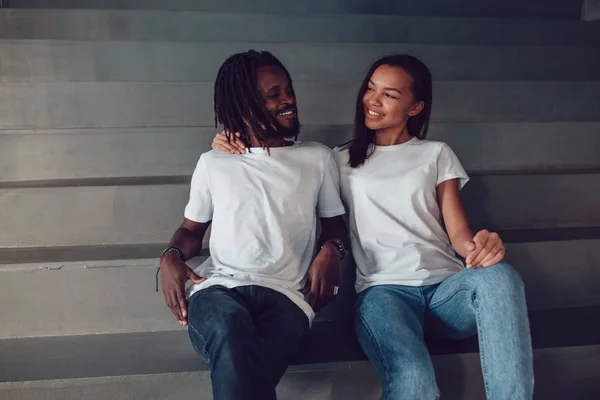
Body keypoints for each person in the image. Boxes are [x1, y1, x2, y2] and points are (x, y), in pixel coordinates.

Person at [212, 54, 534, 399]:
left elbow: (458, 234)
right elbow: (280, 171)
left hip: (445, 294)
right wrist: (229, 142)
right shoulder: (336, 159)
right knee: (413, 376)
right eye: (370, 89)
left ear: (415, 107)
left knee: (501, 275)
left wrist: (482, 245)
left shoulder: (436, 154)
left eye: (390, 95)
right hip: (384, 294)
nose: (372, 100)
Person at [159, 50, 348, 400]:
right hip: (217, 290)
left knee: (245, 360)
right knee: (232, 327)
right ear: (243, 106)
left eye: (289, 90)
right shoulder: (214, 163)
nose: (289, 100)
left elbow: (336, 226)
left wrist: (332, 252)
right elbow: (190, 232)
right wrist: (170, 256)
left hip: (288, 296)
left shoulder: (317, 158)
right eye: (274, 95)